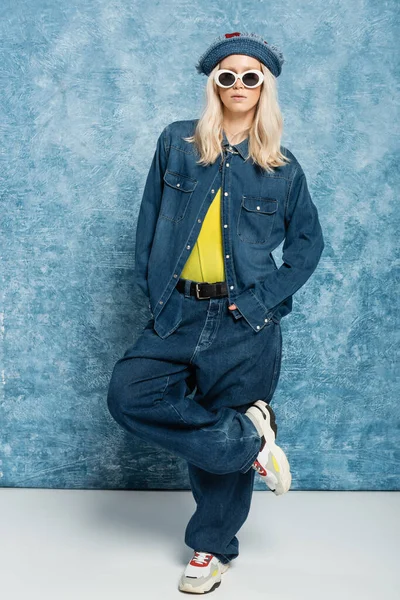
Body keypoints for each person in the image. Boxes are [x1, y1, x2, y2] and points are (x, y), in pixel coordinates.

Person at [107, 31, 325, 594]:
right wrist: (156, 294)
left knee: (213, 446)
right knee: (129, 392)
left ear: (264, 87)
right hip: (177, 311)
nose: (237, 86)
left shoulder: (282, 167)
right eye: (226, 76)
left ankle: (211, 548)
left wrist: (259, 302)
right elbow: (149, 223)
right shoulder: (177, 143)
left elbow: (307, 247)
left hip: (243, 323)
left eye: (249, 76)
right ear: (214, 83)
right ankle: (250, 440)